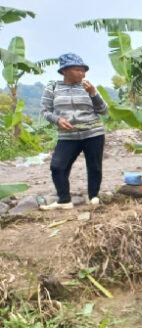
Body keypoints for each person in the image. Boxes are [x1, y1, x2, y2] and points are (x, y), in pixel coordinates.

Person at [40, 53, 108, 210]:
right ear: (64, 71)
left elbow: (103, 110)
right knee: (57, 166)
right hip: (67, 136)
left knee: (94, 166)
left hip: (93, 133)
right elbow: (45, 111)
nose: (82, 73)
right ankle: (64, 200)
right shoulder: (53, 87)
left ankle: (94, 197)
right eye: (77, 69)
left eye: (84, 70)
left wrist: (93, 93)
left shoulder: (88, 86)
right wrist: (57, 120)